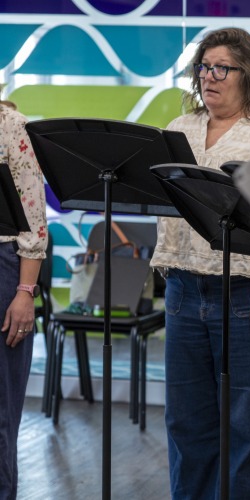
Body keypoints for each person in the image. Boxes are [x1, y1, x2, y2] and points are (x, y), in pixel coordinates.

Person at [150, 27, 250, 499]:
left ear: (248, 74)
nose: (210, 77)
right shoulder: (179, 131)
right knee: (188, 424)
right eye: (204, 67)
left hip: (246, 294)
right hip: (182, 290)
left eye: (222, 68)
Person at [0, 101, 47, 500]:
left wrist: (24, 292)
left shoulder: (12, 125)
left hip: (4, 268)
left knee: (0, 411)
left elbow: (33, 217)